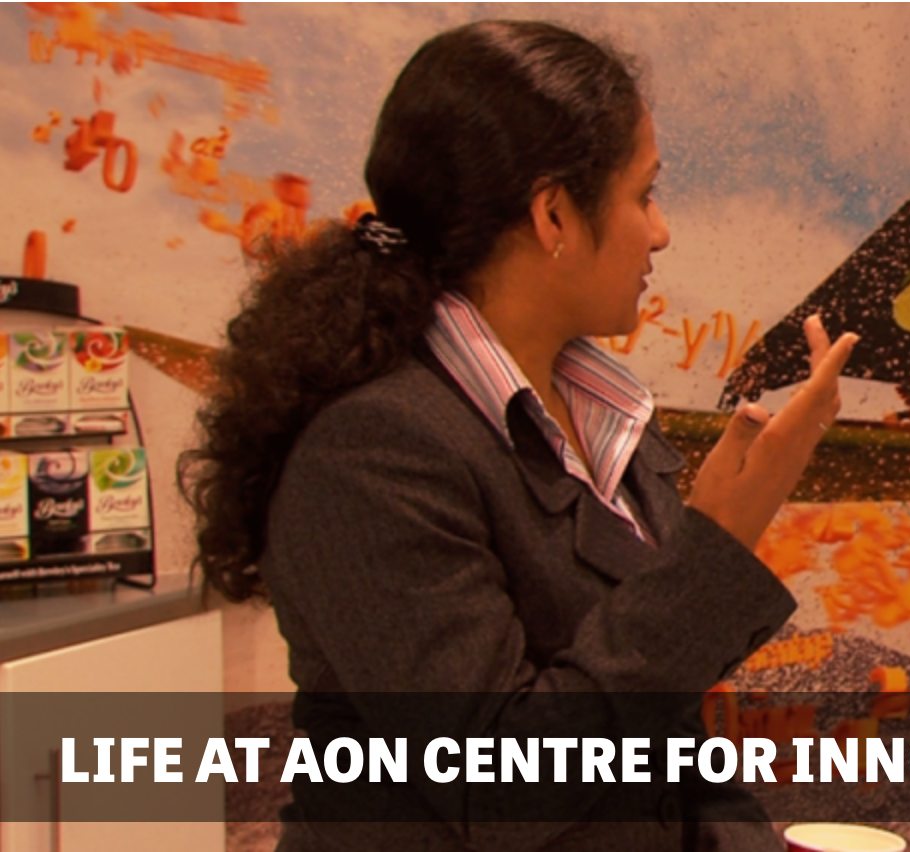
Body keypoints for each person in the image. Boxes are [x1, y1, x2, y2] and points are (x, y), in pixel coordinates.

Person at [179, 20, 855, 852]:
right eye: (643, 194)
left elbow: (663, 734)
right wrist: (718, 539)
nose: (661, 230)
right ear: (554, 214)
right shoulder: (369, 454)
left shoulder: (604, 417)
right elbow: (500, 790)